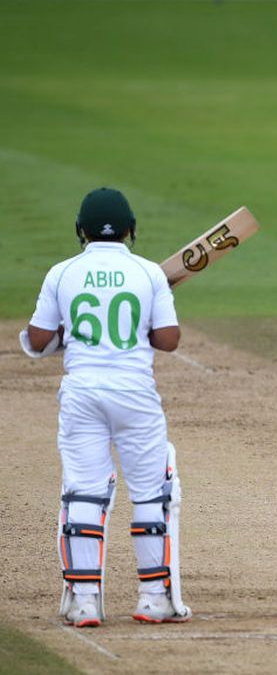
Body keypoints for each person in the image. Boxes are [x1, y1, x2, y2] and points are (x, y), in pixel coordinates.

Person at [21, 187, 192, 627]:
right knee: (152, 492)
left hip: (81, 395)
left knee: (84, 491)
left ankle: (84, 603)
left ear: (80, 230)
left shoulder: (62, 272)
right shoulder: (149, 273)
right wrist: (143, 322)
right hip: (135, 394)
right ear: (131, 230)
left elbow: (38, 341)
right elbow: (169, 341)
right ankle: (154, 598)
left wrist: (69, 332)